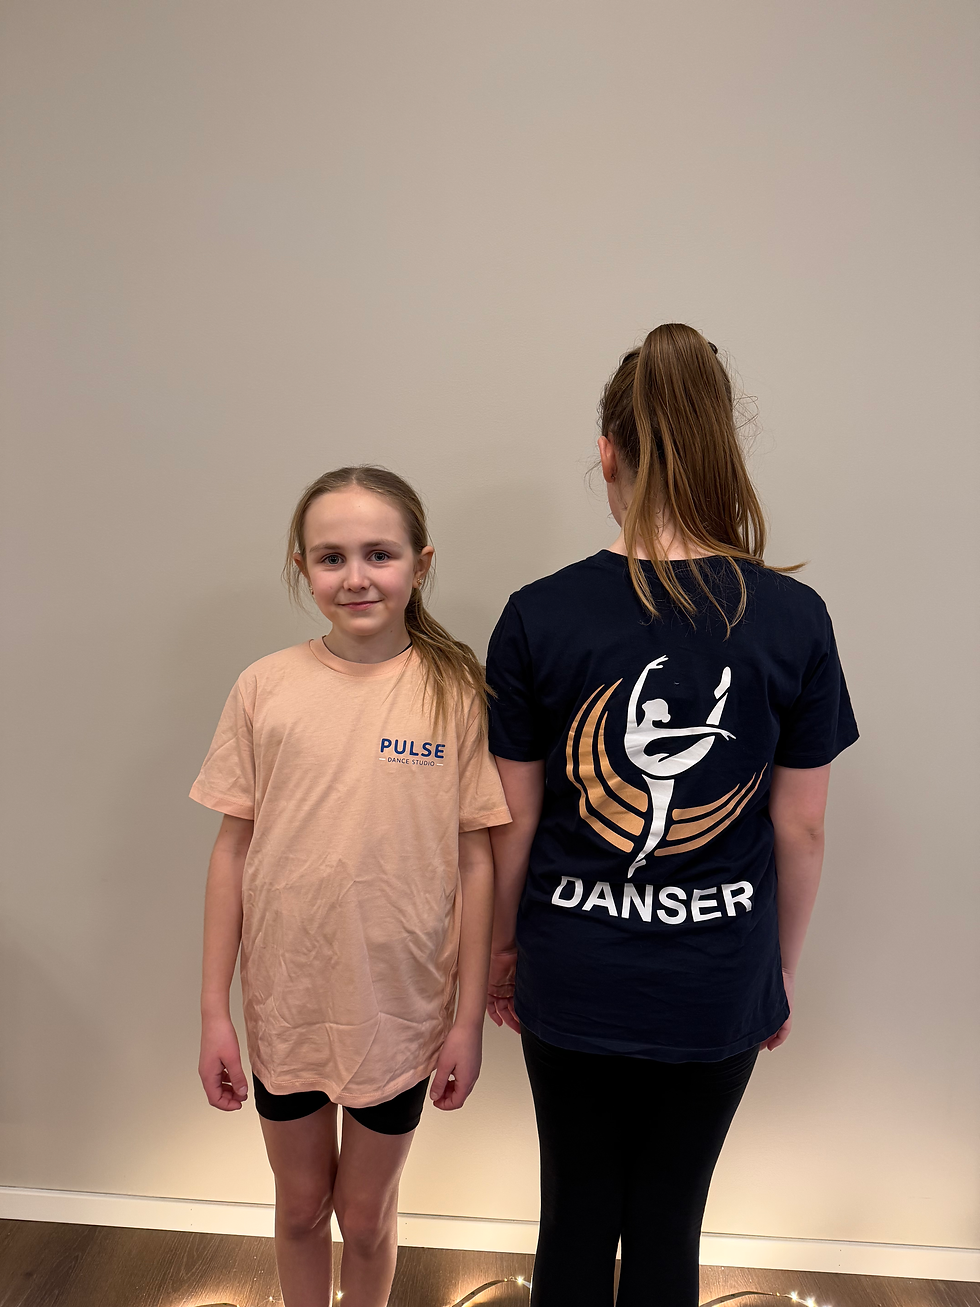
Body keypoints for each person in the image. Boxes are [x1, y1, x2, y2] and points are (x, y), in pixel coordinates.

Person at [485, 324, 859, 1307]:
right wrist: (776, 970)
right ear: (718, 449)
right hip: (717, 979)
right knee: (668, 1225)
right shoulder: (794, 617)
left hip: (572, 969)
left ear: (606, 453)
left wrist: (497, 949)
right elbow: (802, 828)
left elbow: (510, 821)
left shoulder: (537, 613)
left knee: (573, 1217)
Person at [191, 466, 510, 1307]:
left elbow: (476, 861)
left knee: (364, 1217)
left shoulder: (454, 692)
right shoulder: (264, 687)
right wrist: (215, 1012)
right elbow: (232, 851)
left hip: (399, 1010)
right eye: (331, 557)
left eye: (379, 553)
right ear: (302, 567)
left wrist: (466, 1019)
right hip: (288, 1002)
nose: (356, 576)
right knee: (301, 1207)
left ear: (421, 562)